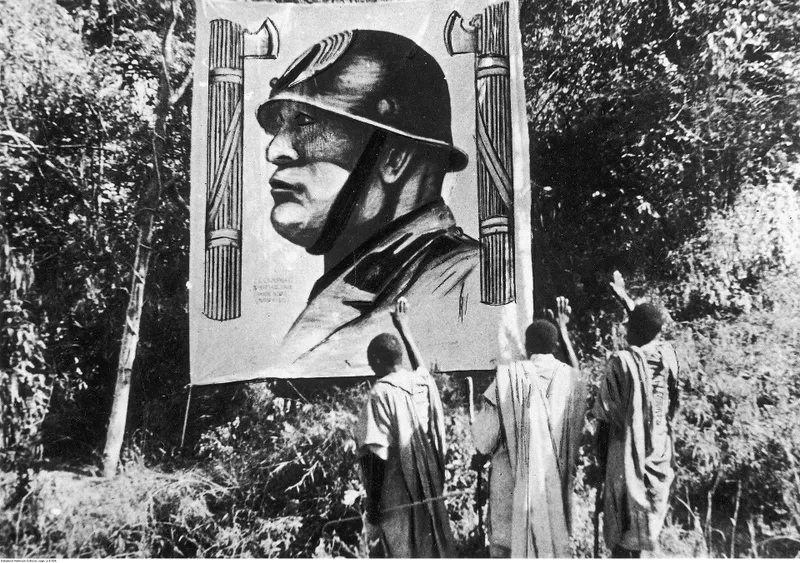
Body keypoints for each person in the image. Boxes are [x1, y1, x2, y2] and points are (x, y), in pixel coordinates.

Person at [257, 29, 507, 377]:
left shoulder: (467, 277)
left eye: (304, 122)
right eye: (278, 126)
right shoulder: (365, 279)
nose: (275, 151)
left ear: (395, 158)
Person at [472, 297, 586, 558]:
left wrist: (479, 455)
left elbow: (484, 441)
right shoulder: (570, 381)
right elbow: (576, 375)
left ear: (526, 345)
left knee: (507, 549)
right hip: (552, 492)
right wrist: (564, 329)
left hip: (510, 489)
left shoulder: (508, 377)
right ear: (555, 346)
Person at [355, 297, 456, 558]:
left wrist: (373, 505)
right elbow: (421, 367)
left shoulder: (380, 393)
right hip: (428, 488)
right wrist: (404, 328)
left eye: (371, 362)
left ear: (377, 360)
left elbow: (375, 456)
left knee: (403, 551)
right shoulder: (422, 384)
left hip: (397, 493)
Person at [594, 271, 681, 558]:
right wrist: (626, 300)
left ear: (633, 330)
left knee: (622, 542)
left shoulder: (621, 363)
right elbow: (648, 326)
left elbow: (604, 419)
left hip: (625, 460)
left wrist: (602, 463)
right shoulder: (669, 356)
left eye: (628, 326)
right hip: (659, 456)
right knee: (640, 539)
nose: (624, 330)